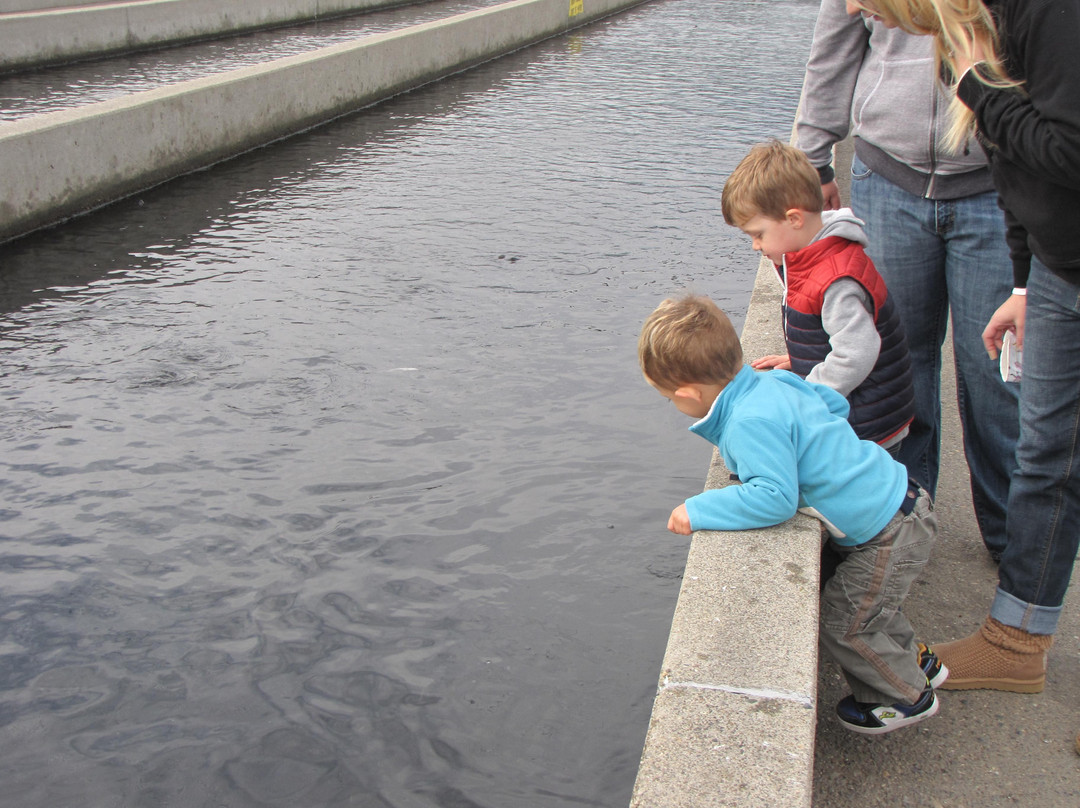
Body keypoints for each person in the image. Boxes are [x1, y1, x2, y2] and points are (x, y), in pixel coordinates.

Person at [840, 0, 1080, 707]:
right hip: (1057, 267)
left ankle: (1018, 628)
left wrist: (978, 86)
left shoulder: (1047, 14)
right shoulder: (970, 33)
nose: (853, 9)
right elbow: (1016, 173)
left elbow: (1067, 150)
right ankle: (1016, 640)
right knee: (1047, 453)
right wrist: (1025, 280)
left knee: (1044, 447)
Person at [638, 294, 945, 734]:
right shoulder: (770, 381)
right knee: (873, 602)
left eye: (671, 399)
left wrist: (698, 508)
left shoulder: (747, 423)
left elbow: (775, 499)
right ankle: (922, 661)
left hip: (888, 532)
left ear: (688, 393)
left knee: (846, 621)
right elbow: (831, 406)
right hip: (902, 498)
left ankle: (906, 695)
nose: (675, 406)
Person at [795, 0, 1019, 562]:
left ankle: (1013, 542)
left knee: (997, 373)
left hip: (995, 185)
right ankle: (902, 527)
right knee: (901, 366)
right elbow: (833, 49)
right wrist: (813, 160)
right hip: (887, 174)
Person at [721, 140, 915, 454]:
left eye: (758, 234)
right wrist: (803, 359)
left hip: (866, 422)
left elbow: (857, 352)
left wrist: (808, 396)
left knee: (856, 498)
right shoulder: (808, 256)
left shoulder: (836, 277)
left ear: (794, 219)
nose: (755, 245)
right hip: (857, 410)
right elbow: (828, 331)